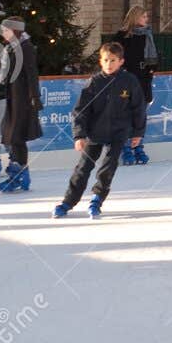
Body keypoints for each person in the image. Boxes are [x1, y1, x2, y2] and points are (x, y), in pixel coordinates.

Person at [49, 42, 146, 220]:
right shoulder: (94, 82)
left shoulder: (129, 81)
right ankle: (68, 202)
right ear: (100, 62)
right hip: (95, 132)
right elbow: (81, 110)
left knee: (108, 167)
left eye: (113, 60)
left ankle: (97, 199)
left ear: (121, 61)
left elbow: (138, 108)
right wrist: (79, 135)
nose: (109, 64)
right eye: (106, 60)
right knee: (83, 168)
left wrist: (138, 132)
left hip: (119, 132)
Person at [109, 7, 160, 166]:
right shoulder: (122, 36)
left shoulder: (147, 35)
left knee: (140, 115)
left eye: (147, 16)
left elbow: (153, 57)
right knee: (125, 114)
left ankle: (137, 145)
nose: (146, 19)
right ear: (135, 17)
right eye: (143, 16)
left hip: (143, 79)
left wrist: (153, 67)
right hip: (126, 79)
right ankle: (125, 147)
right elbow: (114, 56)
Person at [0, 17, 41, 194]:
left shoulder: (25, 48)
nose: (2, 33)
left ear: (15, 31)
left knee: (16, 137)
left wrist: (34, 97)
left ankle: (18, 173)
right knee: (14, 137)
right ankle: (21, 172)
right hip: (13, 97)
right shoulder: (10, 48)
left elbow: (31, 73)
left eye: (5, 30)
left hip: (23, 99)